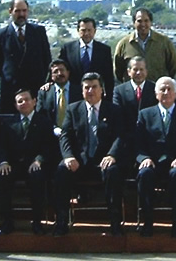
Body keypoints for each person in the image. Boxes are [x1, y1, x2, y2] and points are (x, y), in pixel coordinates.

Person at [53, 72, 125, 236]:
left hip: (104, 161)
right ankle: (62, 222)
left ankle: (115, 222)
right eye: (87, 88)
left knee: (113, 172)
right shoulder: (73, 109)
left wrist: (112, 155)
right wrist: (68, 156)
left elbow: (120, 136)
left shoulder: (113, 110)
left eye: (94, 87)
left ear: (102, 90)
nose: (90, 91)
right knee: (61, 171)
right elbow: (65, 135)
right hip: (79, 161)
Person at [135, 77, 176, 238]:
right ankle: (148, 222)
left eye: (169, 89)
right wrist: (144, 158)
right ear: (156, 94)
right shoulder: (145, 115)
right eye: (162, 89)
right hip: (153, 163)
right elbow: (138, 145)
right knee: (144, 174)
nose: (166, 92)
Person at [0, 89, 57, 235]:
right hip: (14, 164)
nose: (24, 103)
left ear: (34, 101)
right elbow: (0, 146)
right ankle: (6, 222)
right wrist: (3, 162)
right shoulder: (8, 123)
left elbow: (49, 147)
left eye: (27, 99)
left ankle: (37, 222)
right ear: (16, 105)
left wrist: (39, 160)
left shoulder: (44, 122)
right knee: (1, 176)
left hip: (35, 164)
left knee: (38, 177)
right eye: (20, 101)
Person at [0, 0, 52, 113]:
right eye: (18, 11)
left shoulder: (39, 32)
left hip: (35, 88)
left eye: (24, 11)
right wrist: (10, 77)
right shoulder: (1, 35)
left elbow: (46, 59)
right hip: (11, 90)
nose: (21, 14)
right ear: (10, 11)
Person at [113, 7, 176, 83]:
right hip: (133, 92)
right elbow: (118, 71)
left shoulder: (164, 42)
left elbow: (174, 67)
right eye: (139, 21)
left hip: (156, 91)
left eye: (146, 21)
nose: (143, 24)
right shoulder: (124, 44)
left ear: (151, 22)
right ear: (134, 23)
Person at [59, 17, 114, 100]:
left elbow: (109, 77)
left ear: (94, 31)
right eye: (83, 30)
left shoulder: (104, 50)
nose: (87, 33)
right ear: (78, 31)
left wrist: (109, 98)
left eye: (89, 30)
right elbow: (59, 69)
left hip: (96, 95)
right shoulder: (67, 48)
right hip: (73, 96)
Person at [112, 56, 158, 138]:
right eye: (135, 69)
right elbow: (117, 115)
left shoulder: (155, 89)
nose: (138, 73)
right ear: (129, 72)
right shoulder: (119, 91)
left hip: (151, 136)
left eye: (141, 69)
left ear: (146, 71)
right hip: (127, 137)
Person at [37, 59, 82, 136]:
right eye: (55, 71)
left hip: (76, 135)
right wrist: (53, 129)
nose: (59, 73)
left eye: (62, 70)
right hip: (51, 136)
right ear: (51, 76)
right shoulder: (44, 93)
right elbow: (40, 116)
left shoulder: (79, 91)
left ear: (68, 72)